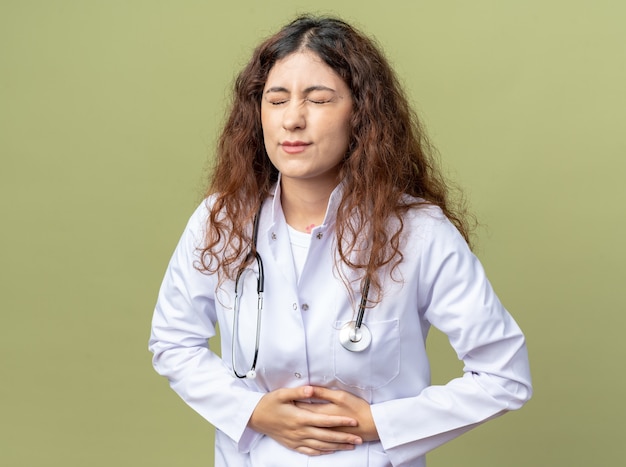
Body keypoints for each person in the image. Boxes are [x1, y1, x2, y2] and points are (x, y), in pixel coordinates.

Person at [149, 15, 532, 467]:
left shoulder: (420, 233)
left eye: (319, 99)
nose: (292, 119)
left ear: (361, 114)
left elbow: (504, 376)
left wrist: (380, 424)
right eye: (276, 100)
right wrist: (251, 412)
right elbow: (173, 342)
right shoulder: (221, 219)